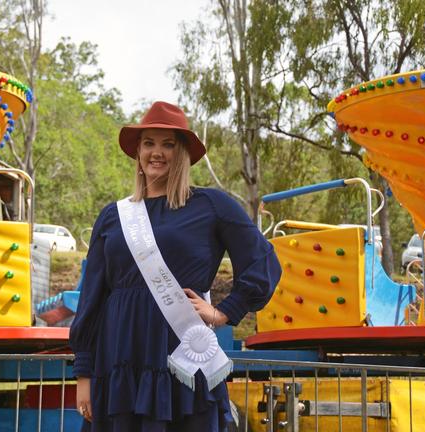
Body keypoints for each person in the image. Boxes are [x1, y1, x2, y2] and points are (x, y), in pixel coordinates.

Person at [70, 101, 282, 432]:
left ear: (182, 152)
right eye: (149, 143)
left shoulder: (212, 205)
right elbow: (92, 298)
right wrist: (84, 373)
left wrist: (225, 311)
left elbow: (263, 261)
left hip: (180, 355)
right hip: (119, 356)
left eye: (168, 144)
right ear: (138, 152)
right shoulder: (113, 216)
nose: (157, 152)